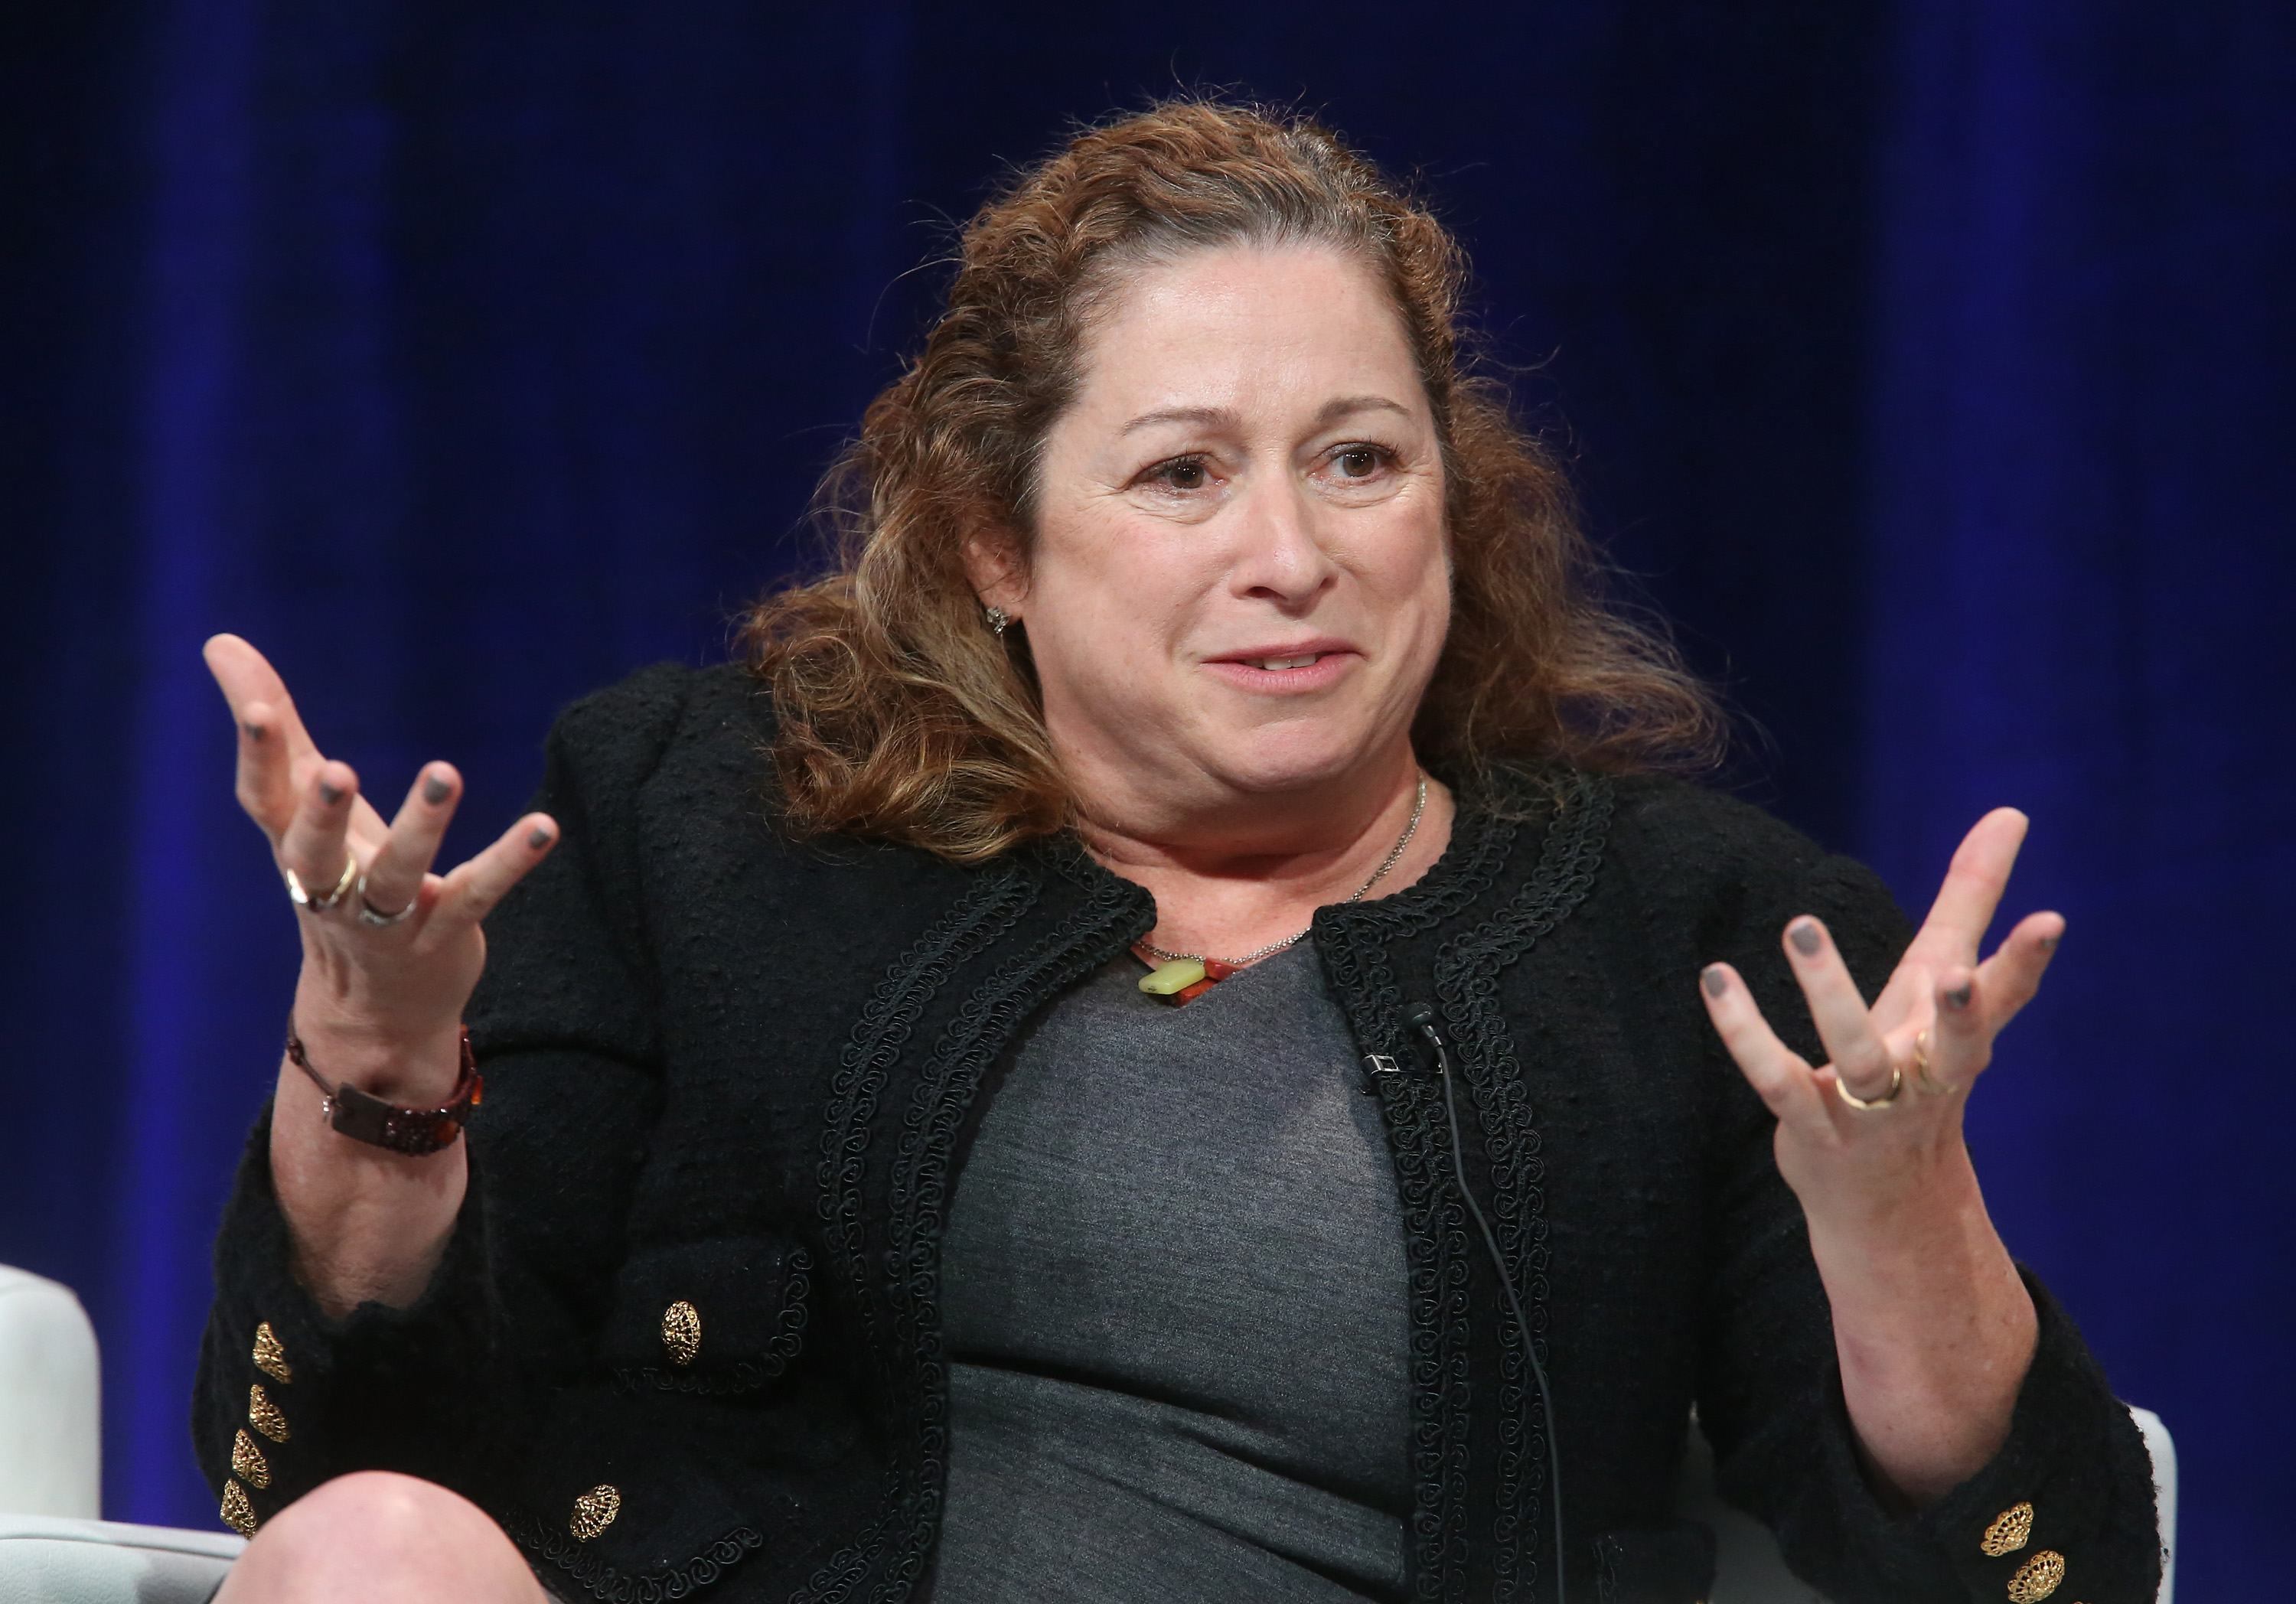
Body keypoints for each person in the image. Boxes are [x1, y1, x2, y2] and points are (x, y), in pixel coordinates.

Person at [193, 101, 2159, 1604]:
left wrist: (1903, 1218)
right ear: (993, 543)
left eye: (1360, 459)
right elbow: (354, 1463)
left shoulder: (1700, 939)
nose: (1290, 555)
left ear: (1450, 511)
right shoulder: (696, 819)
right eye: (1184, 471)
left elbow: (2011, 1564)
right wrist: (378, 1067)